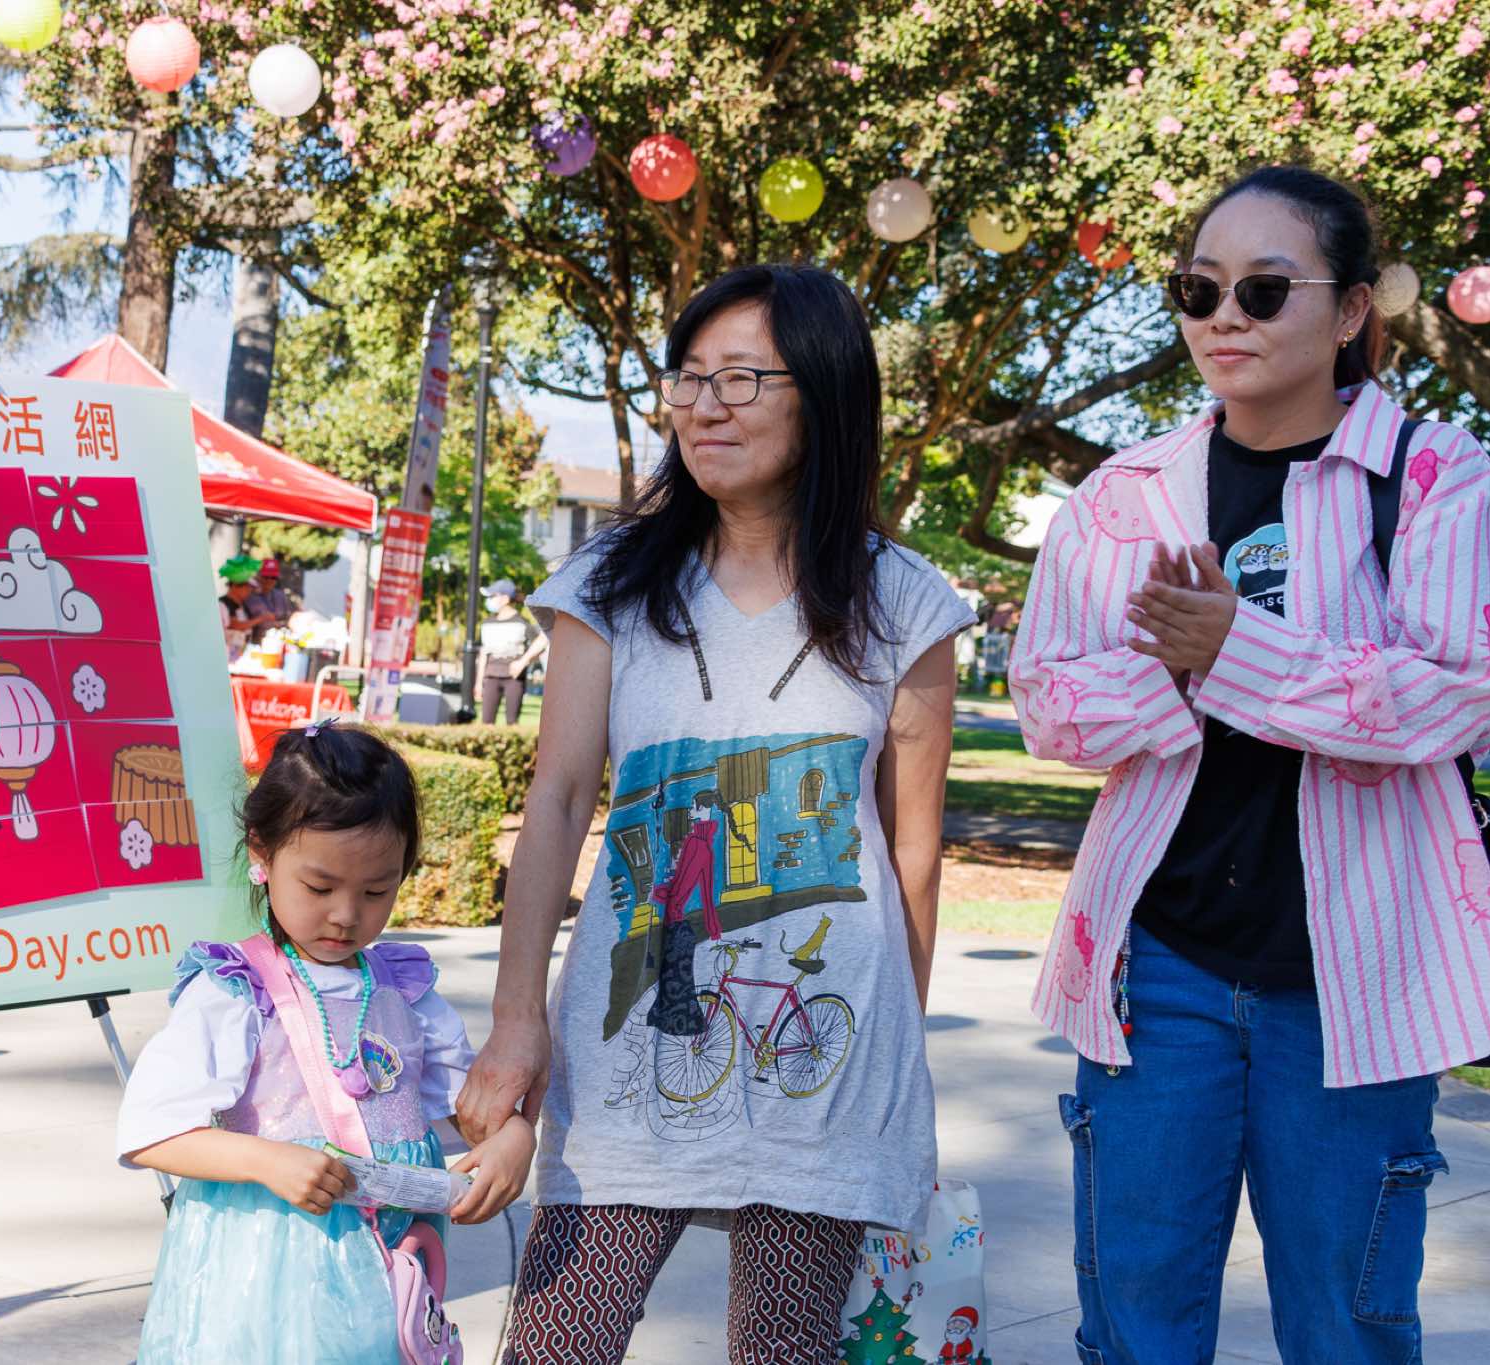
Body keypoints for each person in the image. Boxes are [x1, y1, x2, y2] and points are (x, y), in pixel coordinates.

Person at [1010, 165, 1490, 1363]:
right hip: (1155, 969)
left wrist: (1228, 649)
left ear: (1348, 309)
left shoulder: (1435, 474)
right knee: (1134, 1323)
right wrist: (1185, 673)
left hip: (1361, 980)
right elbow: (1047, 705)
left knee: (1347, 1327)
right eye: (1197, 290)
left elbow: (1448, 697)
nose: (1222, 317)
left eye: (1260, 289)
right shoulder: (1122, 496)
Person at [456, 263, 975, 1365]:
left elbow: (913, 854)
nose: (703, 406)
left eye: (741, 378)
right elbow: (556, 801)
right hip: (621, 1062)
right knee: (555, 1346)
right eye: (688, 378)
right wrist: (516, 1020)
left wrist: (895, 1065)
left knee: (782, 1351)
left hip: (826, 1076)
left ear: (823, 394)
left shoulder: (904, 600)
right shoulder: (607, 583)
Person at [118, 722, 536, 1362]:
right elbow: (151, 1130)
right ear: (262, 853)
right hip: (264, 1288)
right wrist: (266, 1160)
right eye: (320, 887)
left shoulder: (405, 992)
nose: (346, 913)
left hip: (385, 1283)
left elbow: (473, 1109)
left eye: (376, 891)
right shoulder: (236, 991)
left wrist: (513, 1138)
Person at [474, 578, 548, 724]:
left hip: (514, 679)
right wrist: (478, 682)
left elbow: (541, 644)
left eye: (493, 596)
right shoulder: (487, 623)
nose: (489, 600)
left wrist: (523, 662)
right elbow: (483, 653)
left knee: (511, 723)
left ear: (505, 598)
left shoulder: (522, 623)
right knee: (486, 723)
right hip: (490, 678)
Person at [247, 557, 298, 625]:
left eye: (273, 577)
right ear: (259, 576)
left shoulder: (280, 596)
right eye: (266, 577)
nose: (269, 580)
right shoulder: (248, 596)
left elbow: (289, 618)